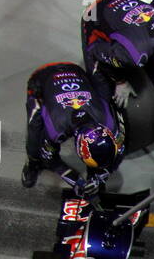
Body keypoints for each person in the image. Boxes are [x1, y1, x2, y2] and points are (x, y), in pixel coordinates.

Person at [21, 61, 125, 197]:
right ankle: (32, 163)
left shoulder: (110, 124)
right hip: (42, 77)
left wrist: (99, 178)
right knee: (35, 136)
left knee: (107, 98)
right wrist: (76, 180)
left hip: (75, 72)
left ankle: (94, 175)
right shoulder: (56, 130)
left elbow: (120, 148)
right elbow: (49, 159)